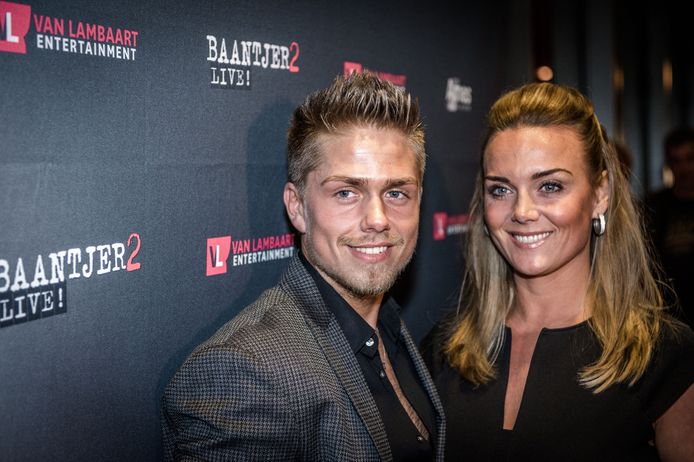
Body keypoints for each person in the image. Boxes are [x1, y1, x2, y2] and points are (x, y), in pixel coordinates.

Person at [162, 73, 445, 461]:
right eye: (346, 192)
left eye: (396, 193)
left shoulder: (390, 326)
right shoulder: (244, 371)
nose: (378, 219)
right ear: (297, 207)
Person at [422, 82, 694, 460]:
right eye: (501, 190)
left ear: (600, 194)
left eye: (549, 186)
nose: (522, 212)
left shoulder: (663, 355)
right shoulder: (445, 348)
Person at [646, 127, 694, 329]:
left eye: (690, 159)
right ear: (668, 165)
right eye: (676, 161)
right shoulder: (654, 207)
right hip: (670, 319)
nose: (684, 168)